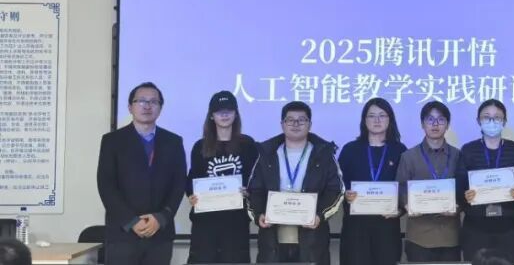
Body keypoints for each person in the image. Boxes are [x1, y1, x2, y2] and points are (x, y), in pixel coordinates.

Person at [96, 82, 186, 265]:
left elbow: (179, 184)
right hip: (123, 234)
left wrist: (161, 218)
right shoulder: (112, 141)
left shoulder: (173, 142)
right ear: (130, 107)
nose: (147, 106)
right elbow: (106, 185)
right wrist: (131, 221)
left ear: (160, 108)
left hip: (160, 235)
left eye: (153, 101)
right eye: (141, 101)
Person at [247, 102, 344, 265]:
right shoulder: (267, 154)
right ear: (282, 124)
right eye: (290, 120)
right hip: (272, 242)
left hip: (312, 241)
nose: (296, 124)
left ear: (310, 124)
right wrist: (258, 215)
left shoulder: (324, 154)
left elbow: (335, 190)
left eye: (302, 120)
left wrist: (319, 215)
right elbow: (254, 190)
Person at [186, 91, 258, 264]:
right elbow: (191, 180)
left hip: (236, 222)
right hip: (206, 222)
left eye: (229, 110)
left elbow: (256, 179)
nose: (224, 115)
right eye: (219, 111)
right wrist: (191, 195)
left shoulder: (248, 145)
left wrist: (249, 191)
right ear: (211, 115)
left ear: (236, 114)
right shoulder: (200, 146)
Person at [339, 98, 408, 265]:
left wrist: (400, 211)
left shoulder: (399, 150)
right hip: (356, 228)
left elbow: (405, 188)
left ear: (390, 119)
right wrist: (345, 194)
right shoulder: (350, 149)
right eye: (371, 116)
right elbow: (337, 184)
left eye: (382, 115)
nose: (377, 120)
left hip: (387, 226)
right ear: (364, 120)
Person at [457, 99, 514, 262]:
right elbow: (459, 187)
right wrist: (465, 195)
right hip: (476, 226)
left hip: (508, 226)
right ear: (478, 121)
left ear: (504, 121)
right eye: (486, 117)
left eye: (497, 117)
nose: (492, 121)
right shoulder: (468, 150)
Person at [397, 101, 462, 262]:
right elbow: (400, 188)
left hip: (450, 236)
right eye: (430, 119)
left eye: (440, 119)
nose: (435, 124)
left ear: (447, 125)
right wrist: (407, 204)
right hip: (419, 236)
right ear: (422, 124)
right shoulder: (408, 156)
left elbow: (464, 189)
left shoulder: (458, 156)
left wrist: (458, 206)